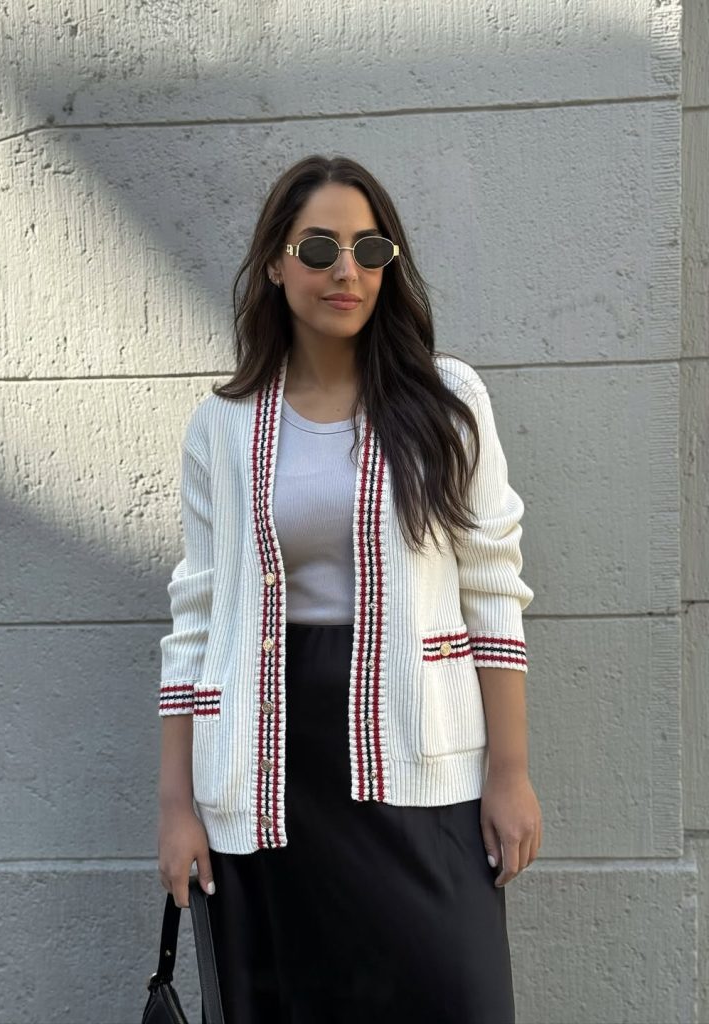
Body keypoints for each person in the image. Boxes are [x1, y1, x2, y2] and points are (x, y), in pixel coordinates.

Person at [156, 153, 542, 1023]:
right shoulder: (222, 426)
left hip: (422, 756)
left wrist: (510, 773)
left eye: (370, 250)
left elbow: (493, 587)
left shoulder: (446, 399)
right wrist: (177, 807)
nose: (347, 271)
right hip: (263, 771)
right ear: (275, 262)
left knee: (456, 997)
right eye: (319, 247)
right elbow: (196, 619)